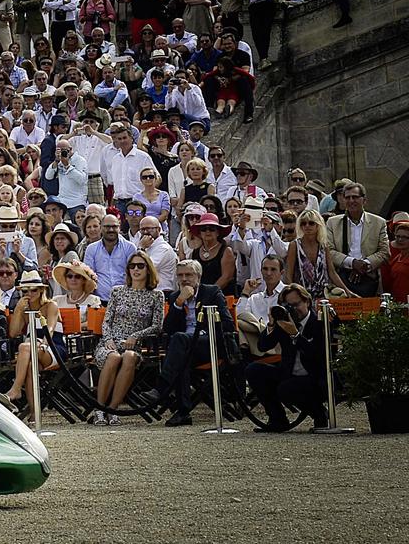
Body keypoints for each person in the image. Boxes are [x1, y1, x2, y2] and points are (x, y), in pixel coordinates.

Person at [158, 259, 236, 426]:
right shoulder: (174, 297)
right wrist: (179, 303)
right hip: (186, 349)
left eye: (189, 274)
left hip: (210, 344)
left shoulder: (212, 292)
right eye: (180, 275)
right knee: (180, 355)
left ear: (198, 277)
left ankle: (161, 388)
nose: (184, 279)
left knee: (179, 339)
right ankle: (184, 412)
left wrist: (203, 328)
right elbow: (167, 329)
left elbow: (227, 324)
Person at [89, 251, 163, 425]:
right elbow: (106, 321)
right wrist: (108, 339)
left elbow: (157, 326)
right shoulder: (117, 291)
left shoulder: (156, 295)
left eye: (140, 266)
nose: (136, 269)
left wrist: (136, 336)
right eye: (132, 266)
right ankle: (100, 409)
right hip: (111, 341)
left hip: (134, 344)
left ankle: (113, 409)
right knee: (113, 357)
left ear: (148, 269)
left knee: (128, 356)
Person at [247, 283, 328, 432]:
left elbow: (317, 355)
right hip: (289, 373)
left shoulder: (318, 323)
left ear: (307, 302)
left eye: (296, 304)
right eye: (288, 306)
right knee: (254, 370)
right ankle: (277, 419)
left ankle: (319, 414)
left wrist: (295, 335)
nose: (293, 310)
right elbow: (263, 347)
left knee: (287, 388)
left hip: (316, 378)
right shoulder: (285, 322)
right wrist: (271, 324)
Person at [0, 271, 60, 419]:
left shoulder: (51, 305)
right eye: (25, 291)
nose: (29, 293)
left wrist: (42, 343)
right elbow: (13, 333)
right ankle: (34, 413)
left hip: (52, 347)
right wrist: (19, 310)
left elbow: (50, 329)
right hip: (31, 350)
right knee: (30, 367)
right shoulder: (24, 308)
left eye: (33, 290)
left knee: (25, 347)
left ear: (41, 290)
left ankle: (15, 389)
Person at [324, 181, 389, 297]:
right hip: (341, 280)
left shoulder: (379, 223)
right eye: (347, 197)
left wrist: (364, 265)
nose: (351, 201)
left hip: (369, 279)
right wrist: (353, 263)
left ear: (364, 200)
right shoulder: (333, 223)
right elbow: (329, 251)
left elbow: (384, 252)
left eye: (355, 197)